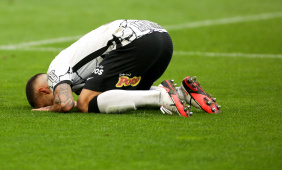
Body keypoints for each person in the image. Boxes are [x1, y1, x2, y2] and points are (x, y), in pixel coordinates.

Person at [26, 20, 220, 117]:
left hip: (134, 42)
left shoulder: (55, 71)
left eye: (44, 102)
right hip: (162, 38)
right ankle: (183, 92)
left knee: (86, 103)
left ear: (43, 90)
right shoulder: (76, 78)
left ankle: (161, 96)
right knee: (124, 91)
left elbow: (66, 104)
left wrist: (51, 108)